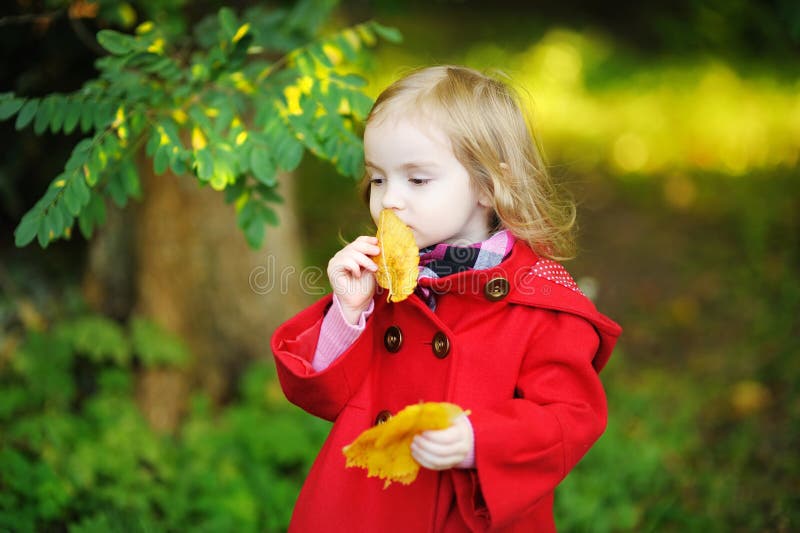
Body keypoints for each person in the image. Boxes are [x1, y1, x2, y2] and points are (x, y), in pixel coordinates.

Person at [271, 65, 622, 532]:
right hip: (365, 507)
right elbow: (321, 396)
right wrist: (347, 313)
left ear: (486, 185)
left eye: (416, 180)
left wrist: (481, 439)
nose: (389, 200)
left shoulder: (541, 303)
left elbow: (570, 418)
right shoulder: (385, 282)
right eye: (378, 178)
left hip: (468, 513)